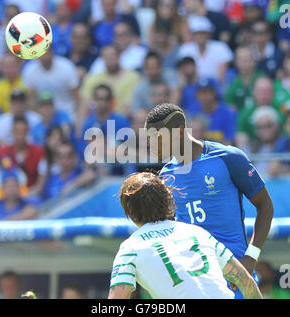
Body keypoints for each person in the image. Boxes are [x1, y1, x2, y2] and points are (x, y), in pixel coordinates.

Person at [144, 103, 274, 299]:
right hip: (195, 284)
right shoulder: (166, 175)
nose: (152, 144)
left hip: (235, 279)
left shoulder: (227, 157)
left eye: (157, 137)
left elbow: (265, 206)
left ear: (179, 131)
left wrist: (251, 257)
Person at [108, 172, 263, 299]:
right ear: (168, 200)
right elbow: (246, 282)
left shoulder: (130, 247)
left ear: (130, 212)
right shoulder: (198, 232)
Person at [80, 45, 141, 116]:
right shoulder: (92, 79)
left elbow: (132, 105)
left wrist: (115, 122)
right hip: (99, 120)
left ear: (119, 56)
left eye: (112, 56)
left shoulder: (133, 77)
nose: (110, 60)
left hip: (125, 121)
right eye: (106, 57)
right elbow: (84, 104)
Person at [22, 48, 79, 121]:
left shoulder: (66, 67)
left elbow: (77, 97)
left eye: (45, 52)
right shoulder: (29, 70)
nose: (44, 55)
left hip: (67, 112)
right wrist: (43, 115)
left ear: (52, 52)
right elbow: (31, 100)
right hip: (41, 114)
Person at [178, 16, 233, 83]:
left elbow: (221, 76)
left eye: (203, 33)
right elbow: (182, 73)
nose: (200, 36)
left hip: (214, 85)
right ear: (193, 35)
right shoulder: (185, 49)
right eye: (197, 33)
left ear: (209, 34)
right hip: (192, 85)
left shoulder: (220, 47)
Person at [0, 116, 44, 188]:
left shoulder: (38, 152)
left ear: (27, 132)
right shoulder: (2, 152)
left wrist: (34, 191)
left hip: (32, 192)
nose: (20, 136)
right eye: (17, 132)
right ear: (12, 132)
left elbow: (42, 176)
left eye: (23, 132)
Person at [194, 79, 237, 145]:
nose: (204, 96)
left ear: (214, 93)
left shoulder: (226, 114)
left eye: (207, 93)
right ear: (197, 95)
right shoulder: (193, 112)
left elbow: (229, 142)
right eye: (201, 93)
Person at [0, 53, 24, 120]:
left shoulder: (26, 82)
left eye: (12, 66)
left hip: (24, 118)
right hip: (7, 119)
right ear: (2, 68)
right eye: (6, 67)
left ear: (18, 66)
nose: (9, 70)